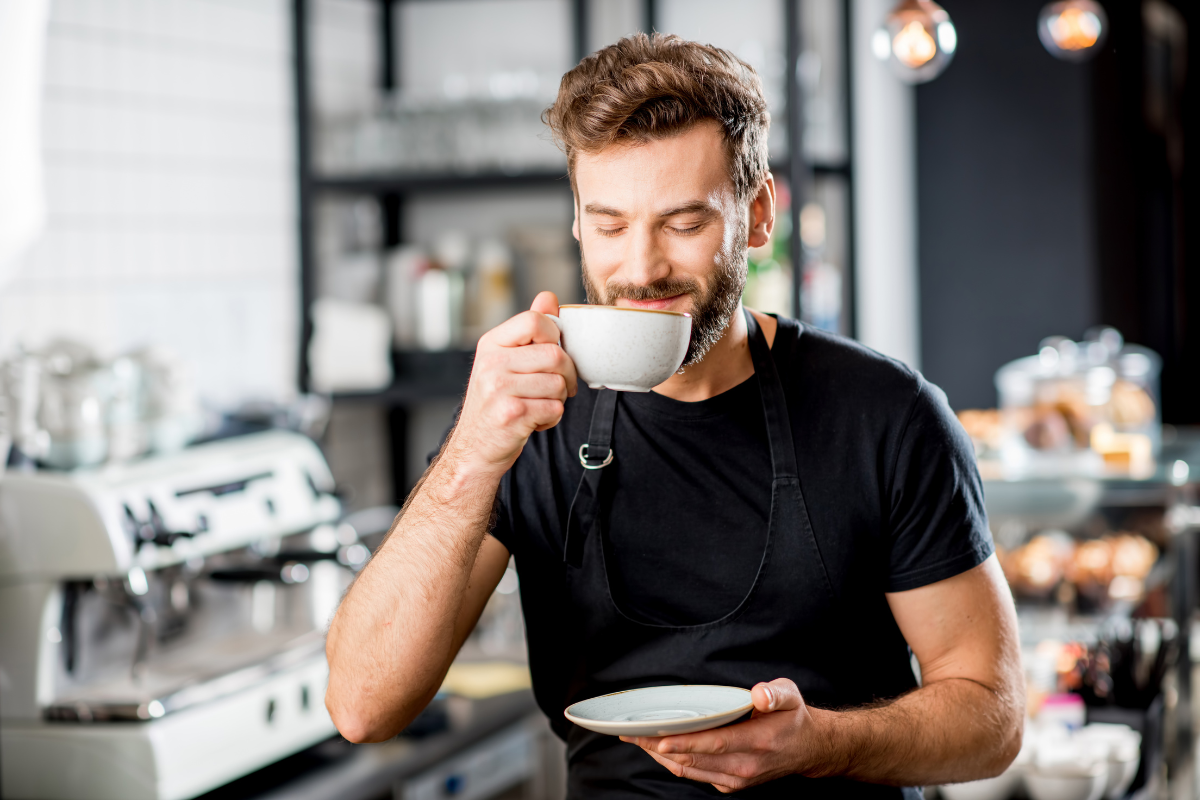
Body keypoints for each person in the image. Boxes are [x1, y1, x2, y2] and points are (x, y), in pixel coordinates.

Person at [325, 33, 1023, 797]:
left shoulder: (885, 414)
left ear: (756, 218)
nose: (641, 268)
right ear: (578, 224)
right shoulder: (523, 419)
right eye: (611, 225)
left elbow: (991, 717)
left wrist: (819, 742)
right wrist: (472, 454)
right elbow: (362, 706)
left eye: (683, 223)